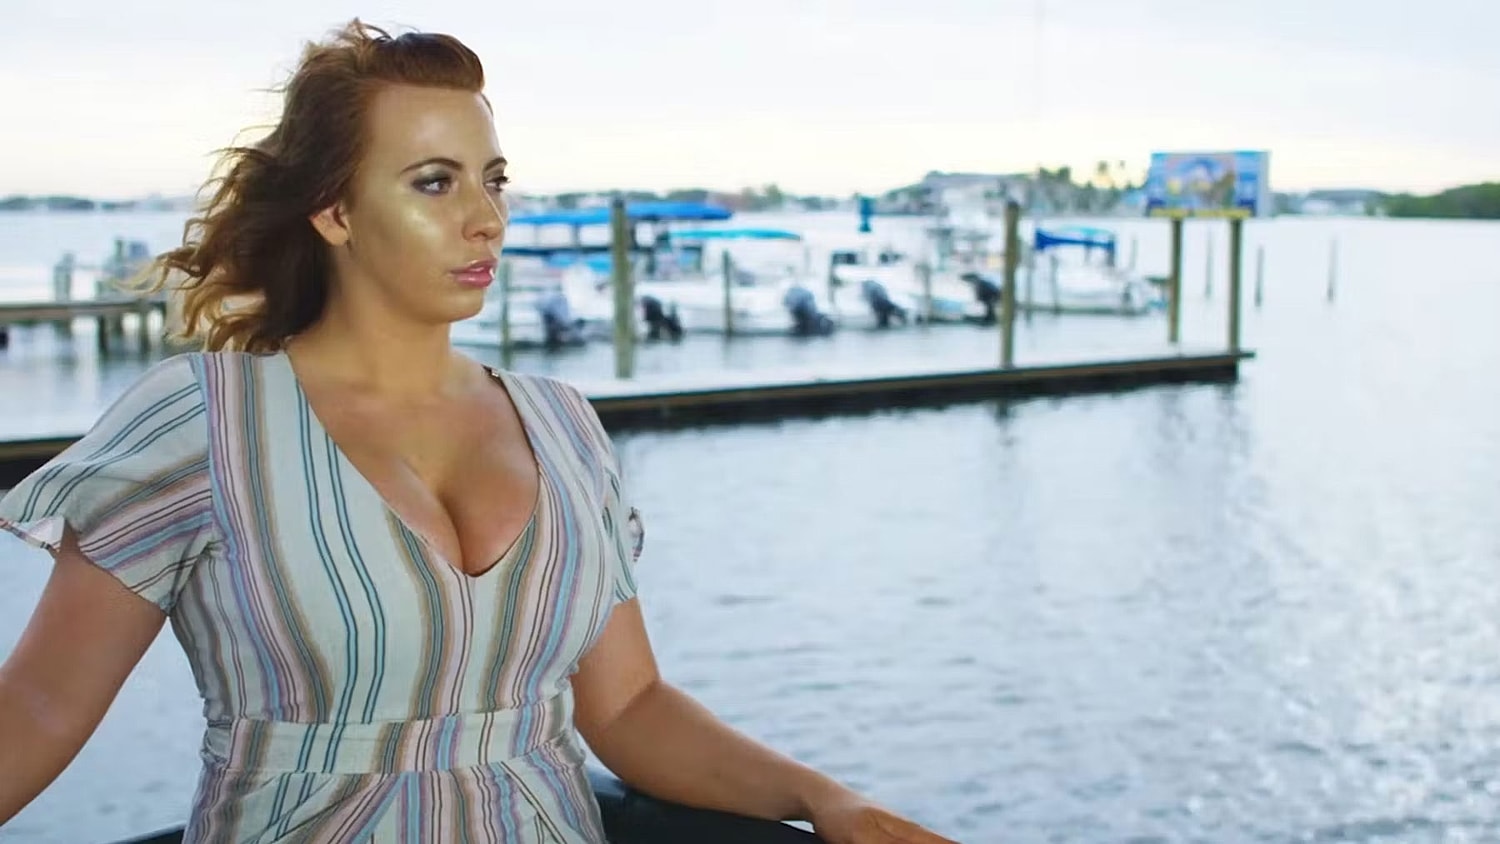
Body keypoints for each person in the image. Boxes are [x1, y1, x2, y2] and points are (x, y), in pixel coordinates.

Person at [0, 19, 956, 844]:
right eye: (434, 184)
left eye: (493, 181)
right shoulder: (205, 422)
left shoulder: (563, 424)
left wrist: (826, 800)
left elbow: (628, 709)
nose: (486, 220)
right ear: (335, 211)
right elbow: (39, 706)